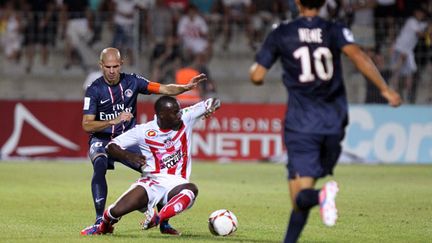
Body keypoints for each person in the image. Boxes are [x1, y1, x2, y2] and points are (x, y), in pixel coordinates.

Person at [249, 0, 401, 242]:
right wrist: (385, 90)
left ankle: (322, 195)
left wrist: (255, 72)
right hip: (334, 122)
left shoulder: (283, 32)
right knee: (300, 198)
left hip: (301, 124)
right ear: (323, 4)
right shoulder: (335, 30)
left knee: (300, 196)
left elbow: (257, 76)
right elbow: (358, 56)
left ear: (297, 2)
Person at [80, 47, 207, 235]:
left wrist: (184, 88)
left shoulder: (132, 81)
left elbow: (163, 88)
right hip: (102, 138)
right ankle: (100, 220)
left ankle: (164, 222)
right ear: (101, 66)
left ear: (121, 64)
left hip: (129, 140)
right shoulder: (94, 90)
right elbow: (86, 125)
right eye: (108, 67)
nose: (112, 71)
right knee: (99, 163)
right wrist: (112, 121)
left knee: (159, 172)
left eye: (115, 66)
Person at [80, 95, 221, 235]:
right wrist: (129, 156)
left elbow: (213, 101)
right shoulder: (143, 131)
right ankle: (102, 227)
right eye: (175, 112)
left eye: (179, 111)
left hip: (176, 183)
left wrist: (212, 106)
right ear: (161, 115)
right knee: (115, 211)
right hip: (151, 182)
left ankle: (159, 220)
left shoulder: (186, 117)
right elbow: (112, 146)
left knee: (191, 190)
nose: (179, 114)